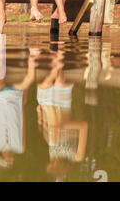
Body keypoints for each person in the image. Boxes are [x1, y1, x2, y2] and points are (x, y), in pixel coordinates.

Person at [0, 43, 40, 168]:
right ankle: (33, 54)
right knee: (30, 79)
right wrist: (23, 98)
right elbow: (21, 123)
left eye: (8, 160)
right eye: (11, 161)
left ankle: (0, 42)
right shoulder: (20, 147)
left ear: (2, 157)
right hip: (14, 98)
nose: (11, 159)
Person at [36, 50, 88, 180]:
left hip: (47, 105)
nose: (51, 162)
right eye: (52, 165)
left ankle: (55, 58)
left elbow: (49, 136)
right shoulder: (77, 157)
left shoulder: (52, 155)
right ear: (60, 169)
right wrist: (63, 126)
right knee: (59, 81)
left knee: (46, 84)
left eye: (50, 164)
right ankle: (58, 59)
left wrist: (40, 119)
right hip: (63, 104)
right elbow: (83, 126)